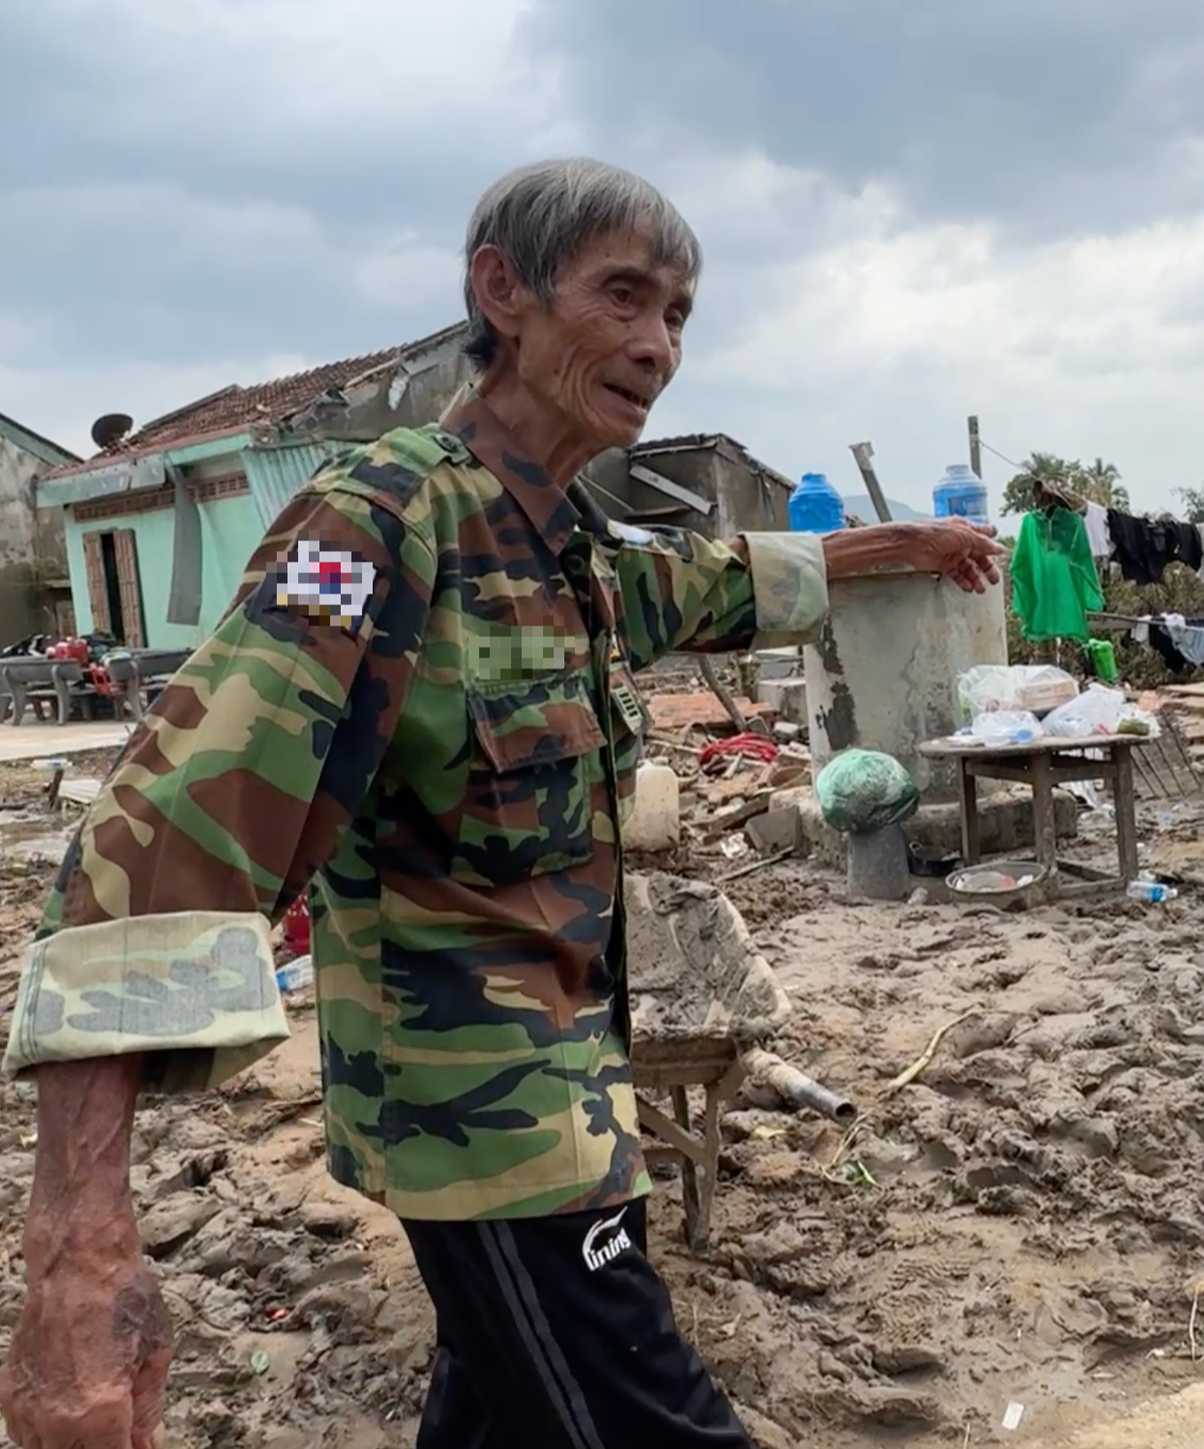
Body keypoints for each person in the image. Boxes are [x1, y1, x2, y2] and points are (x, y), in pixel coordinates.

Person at [0, 157, 1006, 1449]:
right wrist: (76, 1247)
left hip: (575, 1095)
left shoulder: (562, 546)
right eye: (623, 296)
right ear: (503, 291)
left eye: (678, 316)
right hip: (485, 1137)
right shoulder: (379, 523)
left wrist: (910, 545)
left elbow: (715, 581)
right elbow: (170, 829)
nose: (658, 346)